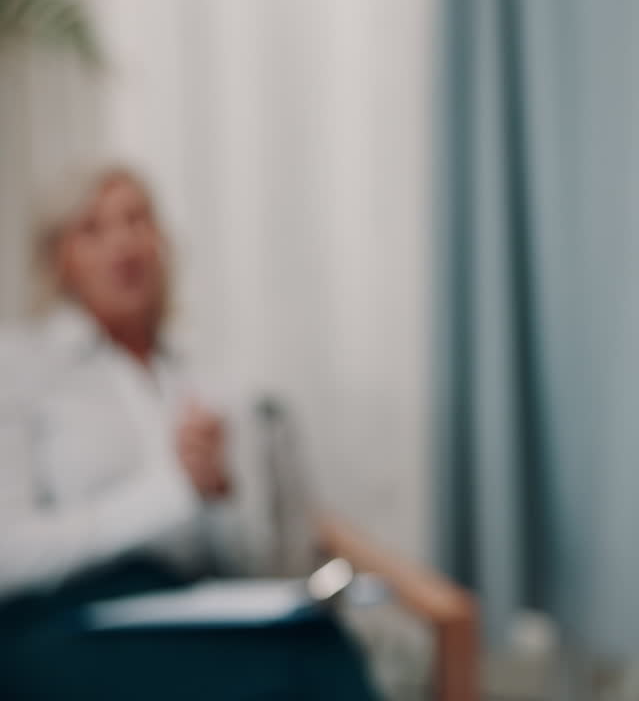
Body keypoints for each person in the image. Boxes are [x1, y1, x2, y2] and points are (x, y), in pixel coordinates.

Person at [0, 165, 378, 700]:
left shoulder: (200, 380)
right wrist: (170, 490)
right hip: (64, 622)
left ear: (161, 243)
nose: (124, 243)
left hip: (190, 603)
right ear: (59, 258)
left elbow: (249, 563)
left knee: (321, 644)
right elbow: (7, 555)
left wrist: (220, 493)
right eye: (94, 228)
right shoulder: (17, 368)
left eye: (137, 220)